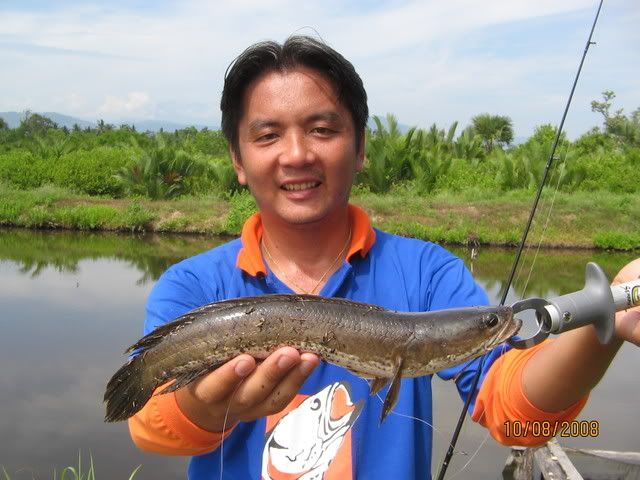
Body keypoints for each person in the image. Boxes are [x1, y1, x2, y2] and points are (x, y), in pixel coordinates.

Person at [127, 36, 640, 479]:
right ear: (238, 160)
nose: (297, 154)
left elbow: (518, 415)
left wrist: (607, 317)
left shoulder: (428, 274)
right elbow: (150, 428)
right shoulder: (192, 285)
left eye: (322, 129)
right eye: (268, 135)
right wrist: (204, 405)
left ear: (360, 148)